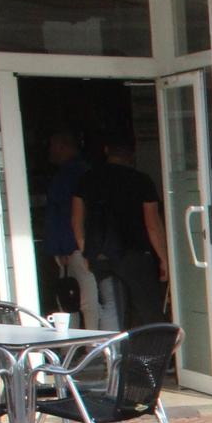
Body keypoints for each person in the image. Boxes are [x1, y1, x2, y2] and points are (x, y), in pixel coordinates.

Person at [73, 141, 168, 330]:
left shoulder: (87, 179)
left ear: (107, 150)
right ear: (131, 155)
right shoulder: (141, 180)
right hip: (135, 254)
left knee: (112, 307)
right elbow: (152, 225)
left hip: (100, 255)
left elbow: (76, 220)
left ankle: (115, 355)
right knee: (146, 309)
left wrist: (85, 251)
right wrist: (163, 258)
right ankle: (151, 355)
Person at [43, 131, 96, 326]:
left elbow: (68, 215)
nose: (50, 151)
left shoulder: (69, 175)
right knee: (80, 299)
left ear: (64, 147)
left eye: (53, 146)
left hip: (73, 246)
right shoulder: (82, 172)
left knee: (73, 300)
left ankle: (84, 347)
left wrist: (63, 248)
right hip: (76, 245)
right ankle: (89, 346)